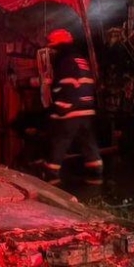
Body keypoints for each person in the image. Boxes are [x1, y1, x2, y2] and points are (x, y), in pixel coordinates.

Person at [41, 28, 103, 186]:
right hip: (87, 110)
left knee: (59, 142)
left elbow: (68, 86)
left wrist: (58, 109)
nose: (52, 51)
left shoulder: (66, 61)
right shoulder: (79, 59)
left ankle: (50, 178)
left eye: (53, 47)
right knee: (88, 145)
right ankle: (96, 177)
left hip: (71, 110)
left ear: (59, 46)